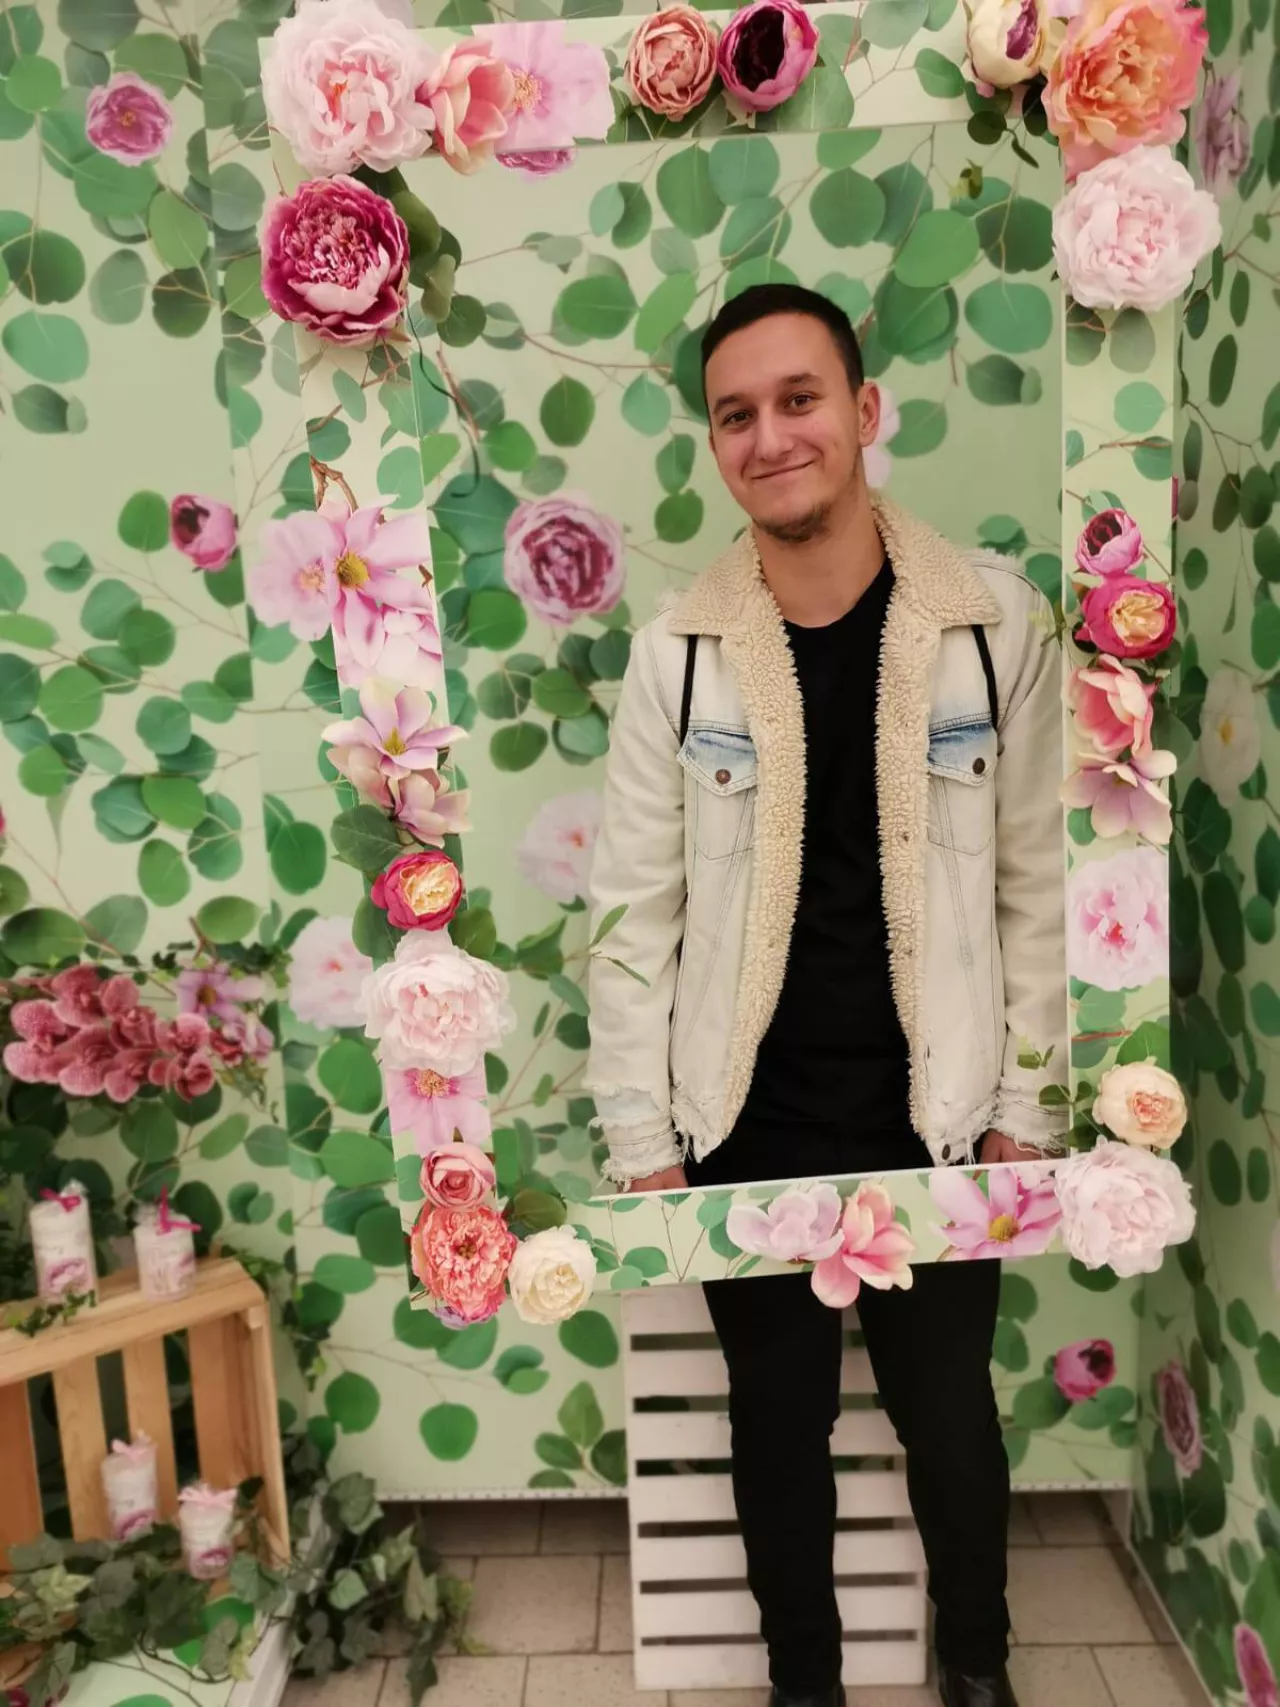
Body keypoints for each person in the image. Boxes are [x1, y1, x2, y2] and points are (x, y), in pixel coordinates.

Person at [584, 283, 1067, 1707]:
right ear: (714, 443)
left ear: (862, 411)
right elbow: (632, 915)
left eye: (799, 399)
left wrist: (1028, 1104)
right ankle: (807, 1684)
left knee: (951, 1420)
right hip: (747, 1113)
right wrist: (642, 1139)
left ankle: (978, 1669)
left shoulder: (993, 626)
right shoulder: (678, 657)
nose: (771, 436)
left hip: (943, 1106)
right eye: (736, 414)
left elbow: (1040, 882)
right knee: (776, 1424)